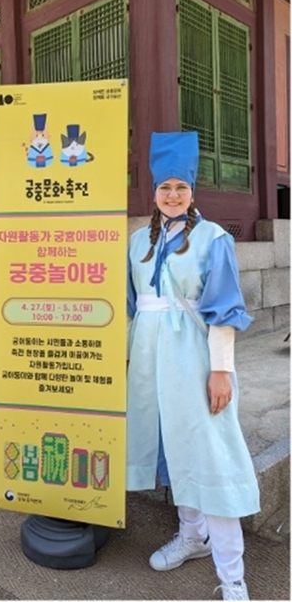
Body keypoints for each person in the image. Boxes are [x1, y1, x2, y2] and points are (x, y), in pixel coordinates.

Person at [126, 131, 260, 601]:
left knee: (210, 457)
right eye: (165, 187)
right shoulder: (138, 242)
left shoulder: (213, 238)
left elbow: (223, 309)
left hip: (195, 359)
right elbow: (130, 306)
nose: (173, 195)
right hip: (148, 361)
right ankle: (192, 536)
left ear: (193, 191)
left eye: (181, 187)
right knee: (173, 446)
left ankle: (233, 578)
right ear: (154, 191)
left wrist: (220, 370)